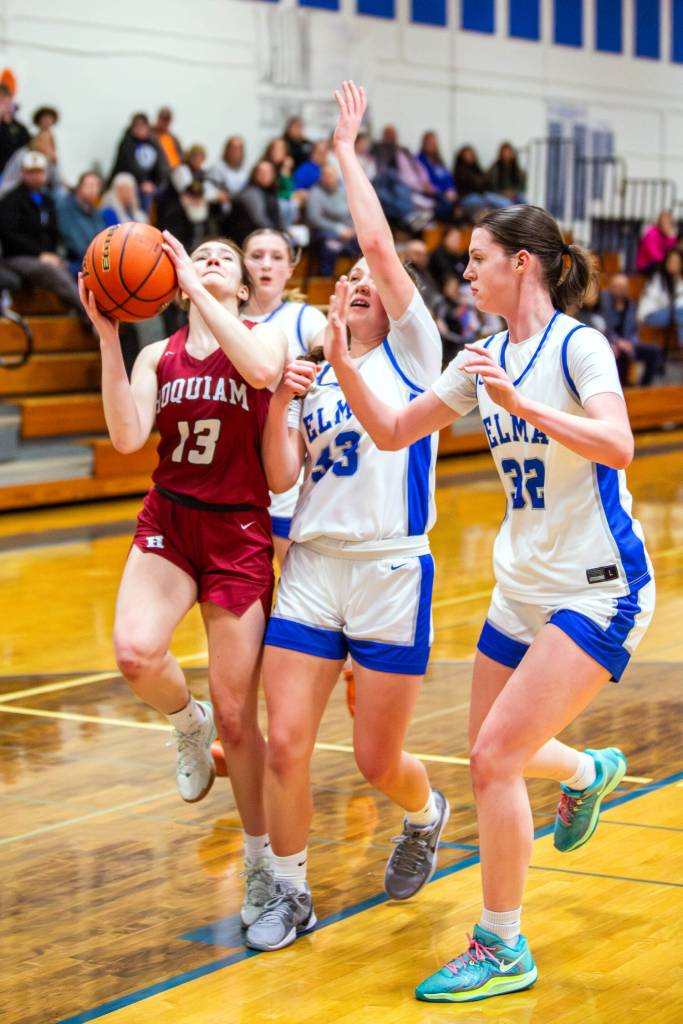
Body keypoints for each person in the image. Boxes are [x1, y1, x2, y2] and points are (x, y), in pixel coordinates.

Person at [325, 202, 654, 1002]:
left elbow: (619, 444)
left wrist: (523, 403)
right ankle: (584, 771)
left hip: (595, 586)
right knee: (488, 753)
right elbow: (397, 430)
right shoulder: (478, 359)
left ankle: (502, 944)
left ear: (522, 264)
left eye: (478, 258)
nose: (465, 270)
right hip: (520, 588)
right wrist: (339, 359)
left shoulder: (577, 346)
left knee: (492, 758)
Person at [244, 81, 449, 954]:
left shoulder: (415, 350)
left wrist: (344, 151)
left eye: (376, 281)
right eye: (351, 283)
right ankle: (290, 892)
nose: (363, 281)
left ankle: (425, 809)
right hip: (314, 569)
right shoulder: (311, 368)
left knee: (374, 762)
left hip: (391, 570)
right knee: (286, 742)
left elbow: (372, 238)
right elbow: (281, 475)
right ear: (333, 303)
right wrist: (276, 407)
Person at [78, 232, 287, 926]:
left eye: (225, 258)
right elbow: (127, 437)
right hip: (172, 515)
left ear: (244, 283)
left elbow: (259, 373)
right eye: (198, 256)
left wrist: (194, 290)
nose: (211, 261)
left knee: (240, 715)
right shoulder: (156, 355)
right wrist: (109, 336)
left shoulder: (266, 340)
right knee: (136, 652)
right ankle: (184, 722)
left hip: (239, 532)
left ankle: (260, 861)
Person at [240, 227, 327, 564]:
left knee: (292, 586)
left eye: (276, 258)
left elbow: (337, 351)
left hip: (284, 460)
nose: (265, 265)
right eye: (256, 256)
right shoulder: (226, 321)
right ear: (242, 264)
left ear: (290, 270)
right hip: (235, 468)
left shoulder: (304, 317)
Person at [0, 150, 83, 317]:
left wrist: (54, 255)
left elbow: (53, 233)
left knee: (78, 268)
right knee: (50, 271)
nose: (36, 176)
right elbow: (9, 235)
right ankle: (88, 315)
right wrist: (40, 254)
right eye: (31, 172)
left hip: (46, 256)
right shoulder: (11, 200)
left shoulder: (47, 201)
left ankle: (79, 313)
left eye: (39, 172)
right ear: (23, 173)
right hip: (17, 257)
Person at [601, 273, 663, 386]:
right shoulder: (604, 302)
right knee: (621, 353)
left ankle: (645, 387)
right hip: (609, 342)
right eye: (616, 286)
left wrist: (631, 342)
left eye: (622, 287)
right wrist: (618, 342)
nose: (619, 290)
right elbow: (605, 327)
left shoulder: (630, 305)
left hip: (629, 342)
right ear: (611, 287)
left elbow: (634, 330)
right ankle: (623, 388)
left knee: (654, 350)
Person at [306, 163, 360, 275]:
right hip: (323, 232)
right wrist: (337, 229)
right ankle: (325, 281)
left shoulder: (344, 189)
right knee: (329, 247)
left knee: (364, 243)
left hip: (348, 232)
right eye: (326, 176)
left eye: (331, 176)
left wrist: (352, 229)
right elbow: (314, 218)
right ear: (321, 177)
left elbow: (354, 212)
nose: (329, 179)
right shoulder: (315, 192)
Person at [109, 113, 168, 208]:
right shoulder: (127, 142)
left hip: (149, 184)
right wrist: (143, 181)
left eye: (143, 126)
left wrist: (157, 184)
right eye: (137, 126)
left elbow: (161, 164)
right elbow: (129, 164)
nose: (140, 129)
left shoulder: (153, 142)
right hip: (131, 183)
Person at [56, 171, 105, 274]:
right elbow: (73, 241)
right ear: (79, 187)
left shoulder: (97, 213)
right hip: (73, 260)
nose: (93, 190)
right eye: (89, 185)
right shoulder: (66, 207)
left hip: (94, 261)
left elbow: (102, 239)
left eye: (96, 186)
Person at [228, 161, 283, 245]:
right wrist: (280, 236)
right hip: (247, 241)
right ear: (254, 174)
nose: (264, 175)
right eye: (261, 172)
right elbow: (260, 220)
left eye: (268, 172)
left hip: (261, 237)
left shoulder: (270, 192)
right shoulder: (250, 193)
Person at [636, 247, 683, 346]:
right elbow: (663, 301)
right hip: (651, 314)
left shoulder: (677, 279)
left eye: (677, 262)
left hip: (670, 313)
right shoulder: (658, 277)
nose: (674, 264)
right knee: (680, 311)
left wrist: (678, 277)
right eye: (672, 261)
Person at [453, 145, 512, 213]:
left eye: (471, 154)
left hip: (482, 195)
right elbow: (475, 184)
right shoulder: (460, 171)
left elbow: (485, 183)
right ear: (461, 156)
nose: (469, 156)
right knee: (488, 204)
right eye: (467, 154)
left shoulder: (476, 169)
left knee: (505, 203)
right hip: (468, 197)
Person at [635, 210, 678, 274]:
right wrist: (668, 260)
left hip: (662, 263)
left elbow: (673, 251)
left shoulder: (669, 235)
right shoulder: (652, 233)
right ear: (659, 221)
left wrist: (671, 238)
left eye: (668, 222)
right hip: (647, 265)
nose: (666, 224)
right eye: (664, 221)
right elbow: (654, 255)